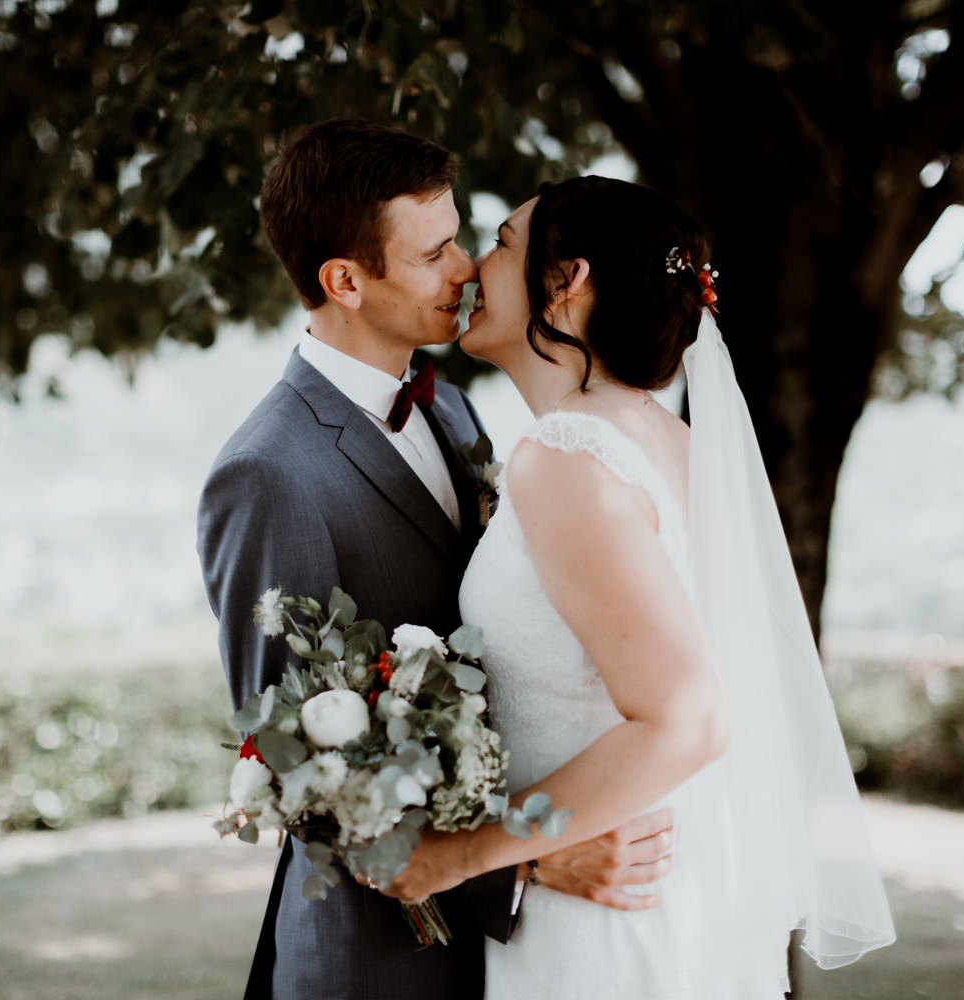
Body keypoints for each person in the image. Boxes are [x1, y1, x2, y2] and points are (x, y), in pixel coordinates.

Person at [379, 175, 897, 997]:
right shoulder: (676, 447)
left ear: (568, 281)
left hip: (606, 918)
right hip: (667, 893)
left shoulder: (567, 454)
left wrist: (465, 853)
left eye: (505, 243)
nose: (476, 264)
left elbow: (687, 719)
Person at [197, 122, 676, 1000]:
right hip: (376, 960)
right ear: (345, 281)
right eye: (435, 251)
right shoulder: (266, 474)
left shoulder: (453, 412)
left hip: (506, 955)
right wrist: (528, 866)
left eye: (461, 237)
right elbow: (294, 764)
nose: (463, 268)